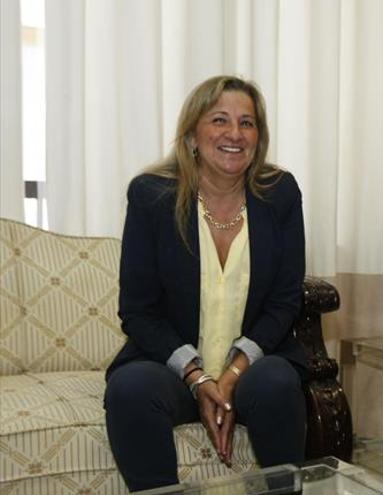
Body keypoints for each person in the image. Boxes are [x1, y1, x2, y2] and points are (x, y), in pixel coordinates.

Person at [103, 75, 308, 491]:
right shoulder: (152, 195)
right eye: (220, 120)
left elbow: (285, 301)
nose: (235, 134)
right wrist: (198, 378)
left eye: (247, 123)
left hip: (252, 369)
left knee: (278, 382)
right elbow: (138, 310)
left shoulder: (280, 193)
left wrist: (232, 374)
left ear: (259, 137)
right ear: (193, 135)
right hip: (174, 371)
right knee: (130, 388)